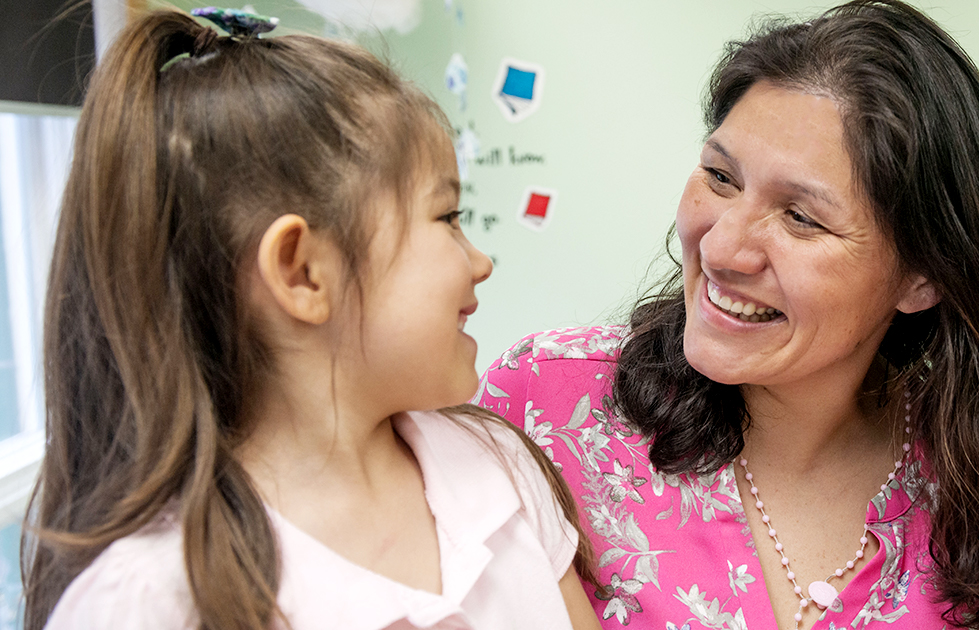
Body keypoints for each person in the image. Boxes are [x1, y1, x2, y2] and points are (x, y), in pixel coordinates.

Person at [474, 1, 979, 628]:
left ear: (923, 277)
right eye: (721, 178)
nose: (721, 247)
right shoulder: (543, 405)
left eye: (801, 218)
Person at [21, 8, 600, 630]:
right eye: (447, 218)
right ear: (302, 273)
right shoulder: (148, 603)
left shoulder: (500, 464)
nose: (481, 262)